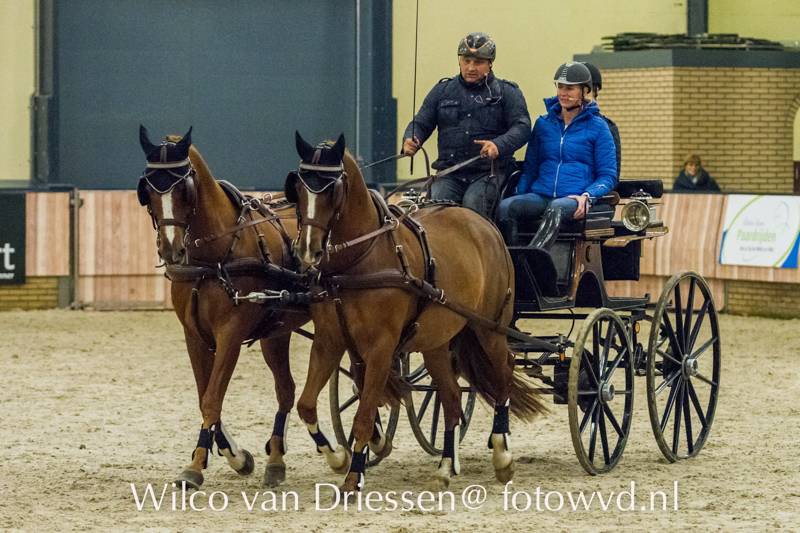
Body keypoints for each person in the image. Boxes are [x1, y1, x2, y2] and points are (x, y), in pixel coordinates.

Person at [402, 32, 531, 219]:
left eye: (478, 62)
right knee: (436, 210)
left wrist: (498, 145)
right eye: (466, 61)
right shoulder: (442, 91)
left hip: (489, 173)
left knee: (473, 207)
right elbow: (421, 122)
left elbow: (522, 127)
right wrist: (411, 138)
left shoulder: (507, 93)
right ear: (459, 61)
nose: (471, 67)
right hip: (450, 173)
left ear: (490, 63)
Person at [497, 62, 617, 248]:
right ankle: (511, 260)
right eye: (560, 86)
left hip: (574, 198)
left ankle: (535, 258)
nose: (563, 92)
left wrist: (588, 196)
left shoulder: (598, 127)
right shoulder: (543, 124)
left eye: (570, 88)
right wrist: (520, 193)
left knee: (557, 207)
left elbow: (608, 175)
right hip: (540, 194)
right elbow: (530, 167)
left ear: (584, 91)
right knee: (506, 207)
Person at [581, 62, 621, 178]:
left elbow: (611, 175)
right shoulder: (551, 123)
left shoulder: (607, 127)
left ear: (595, 90)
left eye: (584, 89)